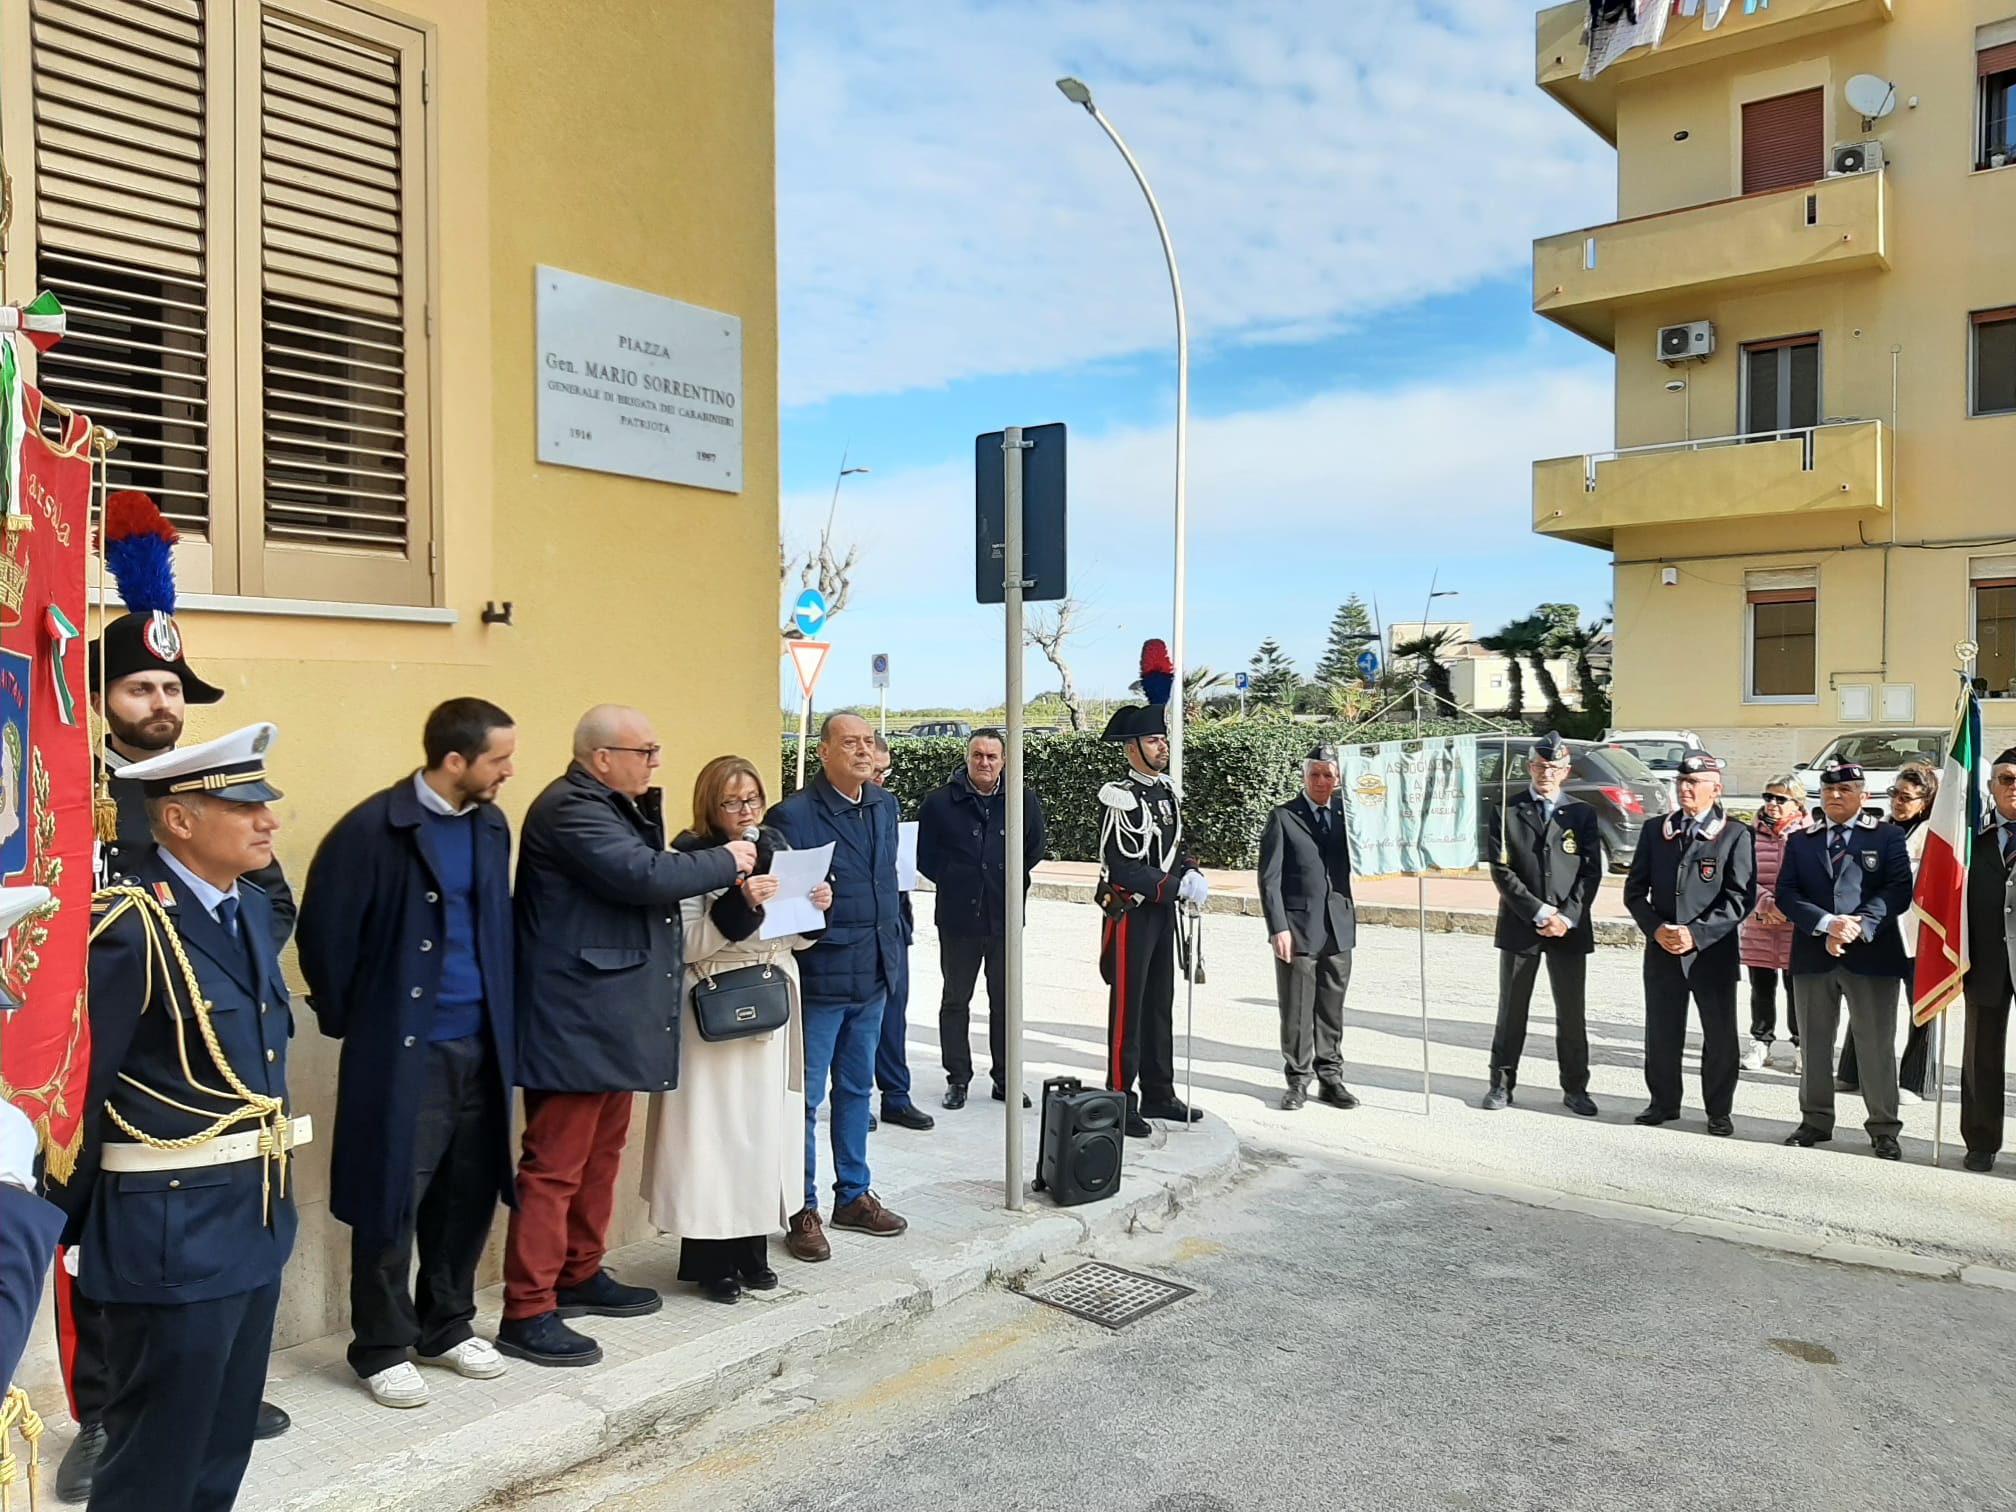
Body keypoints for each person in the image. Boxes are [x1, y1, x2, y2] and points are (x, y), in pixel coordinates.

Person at [58, 611, 293, 1502]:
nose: (269, 818)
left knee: (219, 1451)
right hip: (166, 1234)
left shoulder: (252, 912)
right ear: (182, 819)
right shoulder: (128, 932)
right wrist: (71, 1230)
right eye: (246, 805)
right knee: (153, 1465)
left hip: (254, 1221)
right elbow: (87, 1083)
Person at [499, 706, 753, 1366]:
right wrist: (727, 859)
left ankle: (580, 1272)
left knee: (600, 1157)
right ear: (601, 757)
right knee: (553, 1169)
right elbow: (644, 877)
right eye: (645, 751)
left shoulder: (611, 806)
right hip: (574, 1021)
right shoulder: (570, 809)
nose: (655, 761)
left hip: (607, 1019)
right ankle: (527, 1309)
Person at [297, 699, 519, 1408]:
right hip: (404, 1049)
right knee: (391, 1196)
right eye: (498, 760)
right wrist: (362, 1025)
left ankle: (446, 1326)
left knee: (467, 1190)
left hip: (482, 1043)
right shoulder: (372, 829)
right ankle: (381, 1345)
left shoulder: (490, 825)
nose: (509, 772)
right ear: (455, 762)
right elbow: (324, 938)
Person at [643, 757, 831, 1303]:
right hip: (715, 1010)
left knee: (760, 1136)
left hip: (771, 1004)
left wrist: (816, 907)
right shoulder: (688, 858)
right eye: (732, 801)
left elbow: (795, 941)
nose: (746, 810)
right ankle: (710, 1263)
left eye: (752, 798)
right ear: (710, 805)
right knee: (713, 1139)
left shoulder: (778, 849)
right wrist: (742, 901)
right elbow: (687, 944)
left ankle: (751, 1252)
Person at [769, 714, 911, 1262]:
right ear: (823, 751)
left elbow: (888, 885)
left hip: (875, 973)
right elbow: (787, 903)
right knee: (805, 1101)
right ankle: (800, 1208)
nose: (861, 750)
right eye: (848, 742)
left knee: (857, 1092)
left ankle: (853, 1194)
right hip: (823, 976)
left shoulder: (884, 803)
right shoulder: (795, 816)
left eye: (867, 742)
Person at [1773, 762, 1913, 1161]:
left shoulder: (1886, 837)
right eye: (1829, 790)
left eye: (1846, 789)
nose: (1836, 796)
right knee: (1815, 1043)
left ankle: (1884, 1128)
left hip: (1872, 954)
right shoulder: (1802, 841)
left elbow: (1899, 889)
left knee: (1876, 1046)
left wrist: (1859, 925)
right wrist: (1828, 924)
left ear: (1863, 796)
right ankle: (1815, 1121)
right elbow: (1786, 893)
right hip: (1814, 954)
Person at [1623, 751, 1756, 1136]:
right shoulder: (1656, 831)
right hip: (1663, 948)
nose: (1686, 788)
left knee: (1719, 1034)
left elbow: (1739, 899)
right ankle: (1663, 1102)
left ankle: (1718, 1110)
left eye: (1695, 783)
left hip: (1710, 952)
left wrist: (1695, 934)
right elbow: (1635, 892)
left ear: (1716, 789)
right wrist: (1657, 928)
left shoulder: (1735, 834)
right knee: (1662, 1030)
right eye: (1681, 781)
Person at [917, 729, 1045, 1110]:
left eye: (992, 756)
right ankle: (957, 1079)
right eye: (977, 755)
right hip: (958, 919)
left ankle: (1006, 1079)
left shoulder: (1023, 800)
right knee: (956, 1000)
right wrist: (960, 879)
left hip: (1005, 917)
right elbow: (927, 858)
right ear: (967, 757)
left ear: (1004, 761)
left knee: (1005, 1002)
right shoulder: (939, 803)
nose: (984, 762)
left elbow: (1033, 849)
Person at [1096, 702, 1205, 1139]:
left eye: (1162, 739)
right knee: (1128, 1009)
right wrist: (1172, 885)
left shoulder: (1166, 792)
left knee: (1160, 1004)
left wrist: (1191, 869)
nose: (1163, 746)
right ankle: (1121, 1096)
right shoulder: (1121, 796)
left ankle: (1160, 1090)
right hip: (1132, 913)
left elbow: (1178, 846)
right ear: (1133, 748)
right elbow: (1120, 863)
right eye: (1154, 740)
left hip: (1162, 913)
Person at [1479, 732, 1601, 1116]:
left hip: (1569, 927)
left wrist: (1565, 916)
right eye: (1539, 766)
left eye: (1553, 767)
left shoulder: (1582, 814)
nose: (1545, 773)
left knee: (1571, 1012)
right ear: (1529, 767)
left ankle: (1576, 1087)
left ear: (1565, 771)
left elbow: (1590, 872)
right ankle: (1501, 1084)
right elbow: (1501, 870)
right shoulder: (1507, 810)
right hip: (1521, 924)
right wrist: (1538, 911)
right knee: (1512, 1009)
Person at [1257, 744, 1359, 1112]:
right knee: (1297, 1008)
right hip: (1298, 928)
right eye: (1315, 775)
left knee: (1332, 1009)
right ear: (1304, 777)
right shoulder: (1284, 817)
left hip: (1338, 926)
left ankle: (1331, 1078)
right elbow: (1269, 880)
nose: (1321, 781)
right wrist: (1278, 927)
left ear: (1338, 779)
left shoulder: (1352, 817)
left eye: (1328, 775)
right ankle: (1298, 1080)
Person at [1836, 764, 1939, 1101]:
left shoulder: (1936, 836)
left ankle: (1914, 1080)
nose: (1897, 801)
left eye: (1906, 797)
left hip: (1918, 931)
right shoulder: (1880, 830)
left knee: (1921, 1004)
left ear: (1924, 801)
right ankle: (1853, 1070)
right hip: (1879, 927)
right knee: (1865, 1001)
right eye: (1894, 793)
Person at [866, 735, 932, 1132]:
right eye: (875, 771)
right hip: (853, 935)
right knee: (856, 1024)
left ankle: (896, 1096)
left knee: (894, 1016)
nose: (880, 778)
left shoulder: (888, 806)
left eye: (884, 772)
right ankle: (856, 1099)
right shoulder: (826, 812)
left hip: (892, 927)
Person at [1960, 748, 2016, 1174]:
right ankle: (1981, 1140)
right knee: (1982, 1057)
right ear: (1992, 786)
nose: (2014, 787)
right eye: (2007, 779)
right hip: (1986, 962)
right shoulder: (1969, 841)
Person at [1739, 776, 1806, 1074]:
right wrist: (1766, 904)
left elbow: (1814, 879)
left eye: (1781, 799)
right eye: (1768, 797)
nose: (1772, 804)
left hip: (1796, 925)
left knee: (1798, 989)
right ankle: (1761, 1041)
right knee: (1761, 988)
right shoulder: (1749, 835)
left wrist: (1787, 906)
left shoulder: (1809, 835)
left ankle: (1802, 1044)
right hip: (1760, 921)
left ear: (1797, 803)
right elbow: (1741, 876)